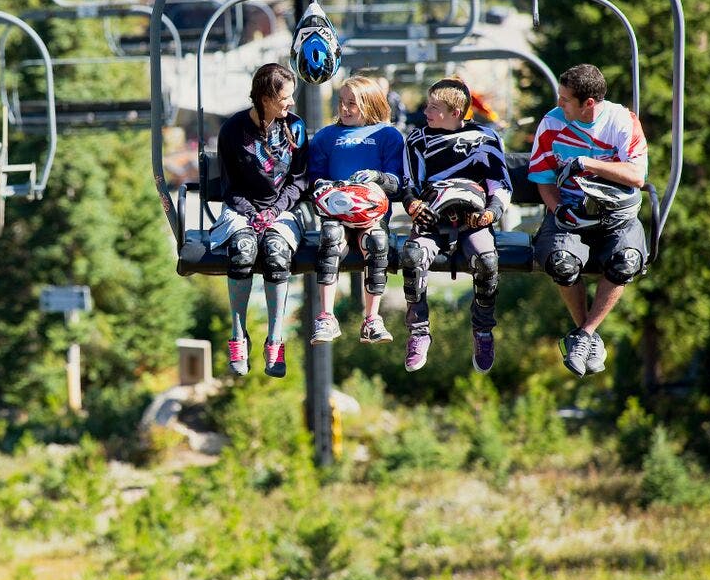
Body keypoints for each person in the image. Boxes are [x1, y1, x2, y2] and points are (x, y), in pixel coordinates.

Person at [528, 63, 648, 376]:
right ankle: (586, 336)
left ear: (588, 104)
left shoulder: (622, 122)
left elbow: (636, 175)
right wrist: (557, 209)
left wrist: (589, 164)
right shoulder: (552, 125)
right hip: (570, 211)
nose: (559, 104)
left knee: (627, 261)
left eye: (565, 99)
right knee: (561, 263)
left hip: (615, 215)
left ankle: (584, 333)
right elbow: (543, 179)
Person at [400, 78, 512, 374]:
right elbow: (409, 183)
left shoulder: (485, 139)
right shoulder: (418, 140)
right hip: (432, 218)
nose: (425, 111)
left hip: (472, 220)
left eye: (433, 107)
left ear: (454, 112)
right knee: (412, 257)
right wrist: (414, 206)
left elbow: (499, 183)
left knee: (487, 260)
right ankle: (418, 331)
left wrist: (491, 212)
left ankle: (483, 329)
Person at [213, 62, 309, 379]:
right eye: (285, 97)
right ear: (266, 98)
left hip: (281, 210)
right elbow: (229, 186)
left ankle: (275, 339)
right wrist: (252, 214)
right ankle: (239, 336)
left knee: (276, 254)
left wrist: (274, 210)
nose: (291, 103)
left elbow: (299, 181)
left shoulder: (295, 128)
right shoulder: (233, 131)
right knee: (243, 250)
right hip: (241, 210)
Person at [307, 76, 405, 345]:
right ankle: (326, 316)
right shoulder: (326, 137)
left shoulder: (387, 136)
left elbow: (398, 183)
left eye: (353, 103)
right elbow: (313, 178)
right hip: (336, 214)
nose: (345, 109)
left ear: (371, 104)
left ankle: (372, 318)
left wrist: (377, 177)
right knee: (330, 238)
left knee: (375, 242)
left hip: (370, 216)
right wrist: (324, 187)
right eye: (341, 102)